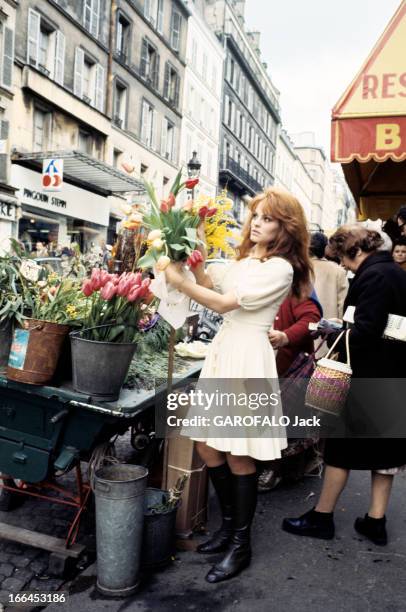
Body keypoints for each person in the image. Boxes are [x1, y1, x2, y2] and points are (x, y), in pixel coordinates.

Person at [164, 187, 313, 583]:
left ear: (286, 226)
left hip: (247, 357)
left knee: (238, 452)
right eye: (256, 216)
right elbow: (214, 286)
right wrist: (194, 257)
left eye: (267, 218)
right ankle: (228, 528)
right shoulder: (247, 259)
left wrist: (175, 281)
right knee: (207, 444)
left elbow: (222, 305)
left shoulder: (280, 268)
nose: (257, 222)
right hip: (226, 351)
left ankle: (240, 544)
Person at [282, 225, 406, 546]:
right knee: (385, 452)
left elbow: (365, 331)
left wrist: (331, 332)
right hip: (391, 373)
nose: (343, 266)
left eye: (343, 259)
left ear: (356, 251)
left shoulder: (375, 277)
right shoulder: (394, 272)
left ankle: (322, 517)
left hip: (367, 375)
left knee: (340, 448)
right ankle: (375, 522)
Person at [310, 232, 348, 320]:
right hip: (329, 326)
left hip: (302, 323)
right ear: (325, 248)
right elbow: (342, 302)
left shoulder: (300, 268)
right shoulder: (338, 270)